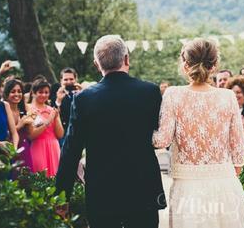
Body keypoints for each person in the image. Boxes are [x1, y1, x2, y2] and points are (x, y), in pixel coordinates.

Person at [56, 35, 165, 228]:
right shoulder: (150, 92)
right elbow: (161, 135)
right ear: (126, 59)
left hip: (102, 191)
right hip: (143, 187)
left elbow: (71, 150)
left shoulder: (83, 99)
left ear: (97, 65)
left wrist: (61, 195)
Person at [153, 38, 244, 228]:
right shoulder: (228, 97)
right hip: (223, 183)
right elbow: (238, 151)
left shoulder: (173, 94)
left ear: (185, 64)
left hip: (187, 186)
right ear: (214, 65)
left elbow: (162, 140)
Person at [28, 79, 64, 177]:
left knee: (55, 179)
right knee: (40, 177)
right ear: (34, 93)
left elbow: (60, 135)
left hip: (53, 146)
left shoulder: (52, 109)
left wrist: (56, 118)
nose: (43, 95)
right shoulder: (29, 109)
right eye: (40, 92)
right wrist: (48, 122)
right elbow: (31, 135)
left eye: (46, 92)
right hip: (38, 146)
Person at [3, 79, 34, 171]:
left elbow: (30, 134)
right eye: (13, 92)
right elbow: (5, 134)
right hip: (10, 148)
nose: (17, 94)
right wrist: (20, 125)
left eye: (19, 91)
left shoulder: (23, 110)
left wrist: (30, 121)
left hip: (25, 148)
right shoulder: (3, 111)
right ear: (6, 94)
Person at [53, 67, 81, 147]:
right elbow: (53, 114)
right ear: (61, 81)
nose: (69, 82)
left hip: (79, 131)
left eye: (71, 79)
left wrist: (82, 95)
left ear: (76, 80)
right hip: (63, 132)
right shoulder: (55, 94)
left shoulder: (81, 93)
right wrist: (58, 100)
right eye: (65, 79)